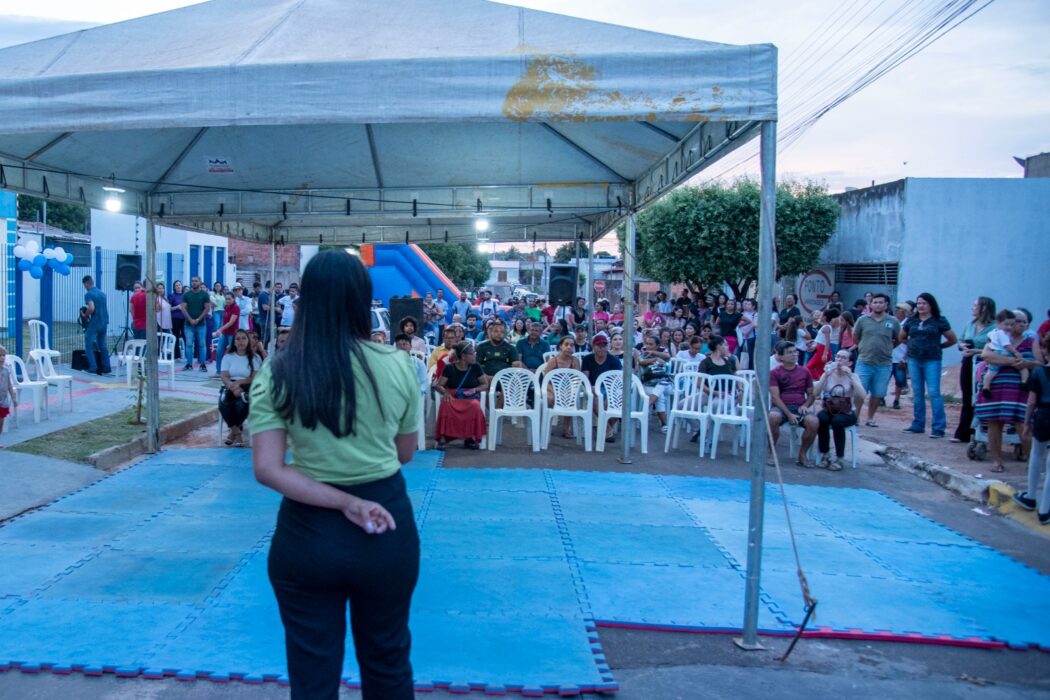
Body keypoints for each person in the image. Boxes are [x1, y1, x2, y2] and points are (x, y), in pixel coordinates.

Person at [250, 250, 420, 700]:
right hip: (386, 525)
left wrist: (343, 502)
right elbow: (406, 453)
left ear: (306, 300)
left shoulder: (278, 370)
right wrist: (355, 497)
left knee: (312, 673)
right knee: (388, 660)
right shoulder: (399, 364)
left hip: (306, 536)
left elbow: (267, 469)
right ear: (362, 300)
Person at [975, 308, 1038, 473]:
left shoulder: (1031, 342)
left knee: (1023, 424)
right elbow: (986, 355)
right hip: (996, 387)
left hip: (1020, 390)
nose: (1017, 325)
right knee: (994, 423)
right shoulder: (996, 337)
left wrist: (1025, 364)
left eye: (1022, 322)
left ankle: (1033, 462)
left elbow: (1040, 364)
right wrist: (1012, 361)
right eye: (1014, 321)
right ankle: (997, 461)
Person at [900, 292, 957, 438]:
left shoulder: (939, 320)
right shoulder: (911, 320)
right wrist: (912, 344)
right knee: (917, 392)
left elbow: (952, 339)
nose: (921, 306)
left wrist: (938, 347)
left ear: (931, 305)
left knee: (933, 392)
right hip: (914, 359)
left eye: (924, 303)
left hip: (932, 359)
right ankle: (918, 424)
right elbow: (902, 337)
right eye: (919, 303)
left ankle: (938, 427)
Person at [1014, 333, 1050, 525]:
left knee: (1037, 454)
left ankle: (1030, 495)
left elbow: (1031, 401)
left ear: (1045, 351)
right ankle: (1045, 509)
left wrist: (1027, 423)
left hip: (1043, 415)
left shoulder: (1038, 373)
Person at [852, 293, 901, 428]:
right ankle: (855, 417)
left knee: (878, 392)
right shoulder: (862, 320)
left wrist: (888, 348)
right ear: (870, 304)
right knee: (859, 391)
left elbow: (899, 339)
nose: (878, 304)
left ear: (886, 305)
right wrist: (863, 347)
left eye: (881, 302)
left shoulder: (893, 322)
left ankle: (870, 418)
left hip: (884, 363)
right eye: (875, 302)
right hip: (864, 361)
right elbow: (855, 337)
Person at [769, 341, 819, 467]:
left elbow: (812, 394)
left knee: (813, 422)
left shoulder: (804, 371)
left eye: (795, 352)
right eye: (789, 352)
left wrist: (805, 405)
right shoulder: (775, 373)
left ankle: (802, 454)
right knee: (773, 417)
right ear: (781, 357)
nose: (794, 355)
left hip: (800, 406)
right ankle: (772, 452)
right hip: (781, 407)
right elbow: (775, 397)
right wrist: (789, 414)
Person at [813, 349, 865, 471]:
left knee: (837, 421)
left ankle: (839, 458)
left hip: (846, 411)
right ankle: (825, 454)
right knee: (821, 418)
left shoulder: (853, 376)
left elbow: (862, 395)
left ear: (850, 363)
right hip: (830, 408)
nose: (839, 360)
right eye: (838, 357)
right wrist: (825, 375)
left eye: (843, 358)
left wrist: (850, 376)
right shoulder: (829, 373)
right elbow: (815, 393)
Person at [953, 296, 996, 442]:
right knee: (967, 397)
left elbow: (995, 348)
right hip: (968, 362)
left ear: (984, 308)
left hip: (984, 364)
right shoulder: (970, 324)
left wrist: (977, 351)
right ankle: (963, 432)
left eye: (975, 305)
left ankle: (981, 431)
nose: (972, 308)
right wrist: (962, 346)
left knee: (979, 398)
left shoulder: (994, 327)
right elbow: (961, 340)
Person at [435, 342, 489, 449]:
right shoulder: (449, 368)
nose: (475, 355)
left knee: (475, 406)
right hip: (453, 396)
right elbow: (438, 385)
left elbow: (485, 385)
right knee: (446, 404)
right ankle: (444, 437)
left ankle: (469, 437)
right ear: (464, 356)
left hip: (469, 397)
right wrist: (445, 392)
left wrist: (475, 389)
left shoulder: (476, 367)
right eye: (472, 353)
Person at [219, 329, 256, 447]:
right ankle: (237, 432)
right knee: (223, 401)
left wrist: (239, 384)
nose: (241, 341)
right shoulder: (228, 357)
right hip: (230, 384)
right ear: (234, 342)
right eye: (238, 339)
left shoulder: (254, 358)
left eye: (244, 338)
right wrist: (231, 386)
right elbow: (224, 376)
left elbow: (254, 378)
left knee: (242, 402)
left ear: (248, 341)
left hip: (247, 385)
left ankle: (232, 432)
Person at [981, 310, 1028, 399]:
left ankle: (986, 387)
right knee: (1022, 367)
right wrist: (1016, 352)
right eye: (1007, 324)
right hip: (1004, 353)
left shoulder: (992, 332)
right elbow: (1007, 346)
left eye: (1012, 324)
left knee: (991, 372)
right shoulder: (1002, 334)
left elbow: (988, 340)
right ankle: (1024, 381)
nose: (1009, 327)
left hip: (995, 353)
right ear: (998, 323)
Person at [543, 336, 582, 439]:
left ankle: (566, 428)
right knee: (550, 398)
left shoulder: (575, 361)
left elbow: (577, 379)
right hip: (551, 387)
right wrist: (555, 391)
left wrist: (569, 390)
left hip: (568, 388)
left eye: (572, 345)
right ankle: (547, 426)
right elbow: (546, 379)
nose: (569, 347)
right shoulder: (553, 361)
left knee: (569, 397)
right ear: (560, 346)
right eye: (566, 344)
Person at [81, 275, 112, 376]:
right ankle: (107, 367)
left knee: (88, 343)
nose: (84, 287)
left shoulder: (89, 294)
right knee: (102, 345)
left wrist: (85, 315)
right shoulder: (102, 293)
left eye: (84, 285)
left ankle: (93, 367)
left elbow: (91, 307)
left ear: (86, 284)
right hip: (104, 322)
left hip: (95, 322)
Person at [181, 276, 212, 372]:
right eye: (192, 281)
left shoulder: (204, 294)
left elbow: (207, 308)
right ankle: (189, 364)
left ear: (200, 282)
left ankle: (202, 364)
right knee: (189, 344)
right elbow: (183, 308)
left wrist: (198, 319)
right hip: (188, 324)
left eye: (196, 281)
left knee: (202, 344)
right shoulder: (187, 295)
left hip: (201, 324)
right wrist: (190, 319)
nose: (193, 282)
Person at [891, 301, 912, 409]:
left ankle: (896, 400)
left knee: (899, 380)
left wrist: (905, 358)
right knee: (885, 378)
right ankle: (881, 398)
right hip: (889, 356)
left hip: (900, 357)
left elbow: (910, 342)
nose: (896, 311)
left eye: (899, 310)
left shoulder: (907, 325)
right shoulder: (893, 322)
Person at [212, 291, 240, 372]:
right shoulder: (225, 307)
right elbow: (224, 321)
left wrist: (220, 329)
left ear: (233, 299)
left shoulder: (236, 307)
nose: (227, 301)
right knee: (219, 351)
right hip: (224, 334)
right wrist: (221, 330)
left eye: (229, 299)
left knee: (232, 353)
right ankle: (219, 371)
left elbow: (231, 322)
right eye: (226, 299)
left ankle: (232, 371)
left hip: (232, 334)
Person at [0, 345, 16, 447]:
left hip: (3, 401)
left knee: (1, 421)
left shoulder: (6, 371)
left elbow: (9, 385)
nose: (2, 358)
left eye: (3, 355)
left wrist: (14, 398)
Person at [168, 280, 185, 360]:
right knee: (176, 336)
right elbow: (169, 308)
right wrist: (177, 307)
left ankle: (187, 355)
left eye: (179, 285)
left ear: (182, 286)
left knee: (186, 336)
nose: (178, 286)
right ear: (174, 287)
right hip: (175, 318)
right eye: (176, 285)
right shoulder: (172, 296)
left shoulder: (185, 296)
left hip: (185, 318)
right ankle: (177, 355)